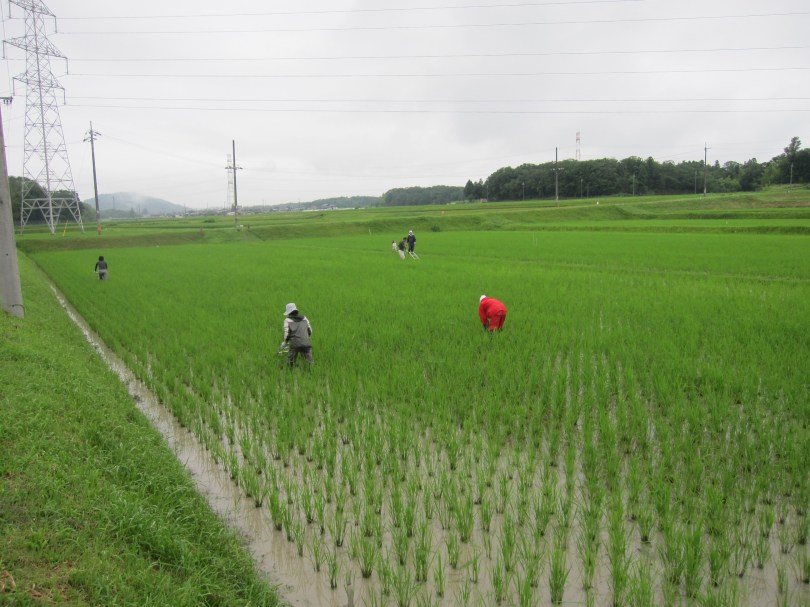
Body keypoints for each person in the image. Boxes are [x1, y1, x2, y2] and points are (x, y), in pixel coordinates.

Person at [279, 303, 313, 367]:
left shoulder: (287, 320)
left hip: (295, 344)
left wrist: (285, 342)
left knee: (290, 362)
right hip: (306, 343)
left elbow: (287, 334)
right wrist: (304, 338)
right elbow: (310, 331)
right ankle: (310, 372)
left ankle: (290, 373)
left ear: (289, 312)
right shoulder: (304, 318)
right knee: (309, 363)